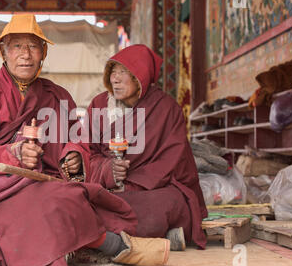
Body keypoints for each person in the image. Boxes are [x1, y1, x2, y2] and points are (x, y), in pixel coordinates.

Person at [0, 14, 171, 266]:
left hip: (37, 177)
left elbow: (77, 138)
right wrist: (12, 152)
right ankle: (113, 246)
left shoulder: (56, 95)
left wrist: (73, 155)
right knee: (49, 201)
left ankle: (102, 242)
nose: (25, 55)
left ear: (43, 52)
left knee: (78, 194)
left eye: (33, 46)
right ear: (3, 52)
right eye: (16, 46)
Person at [84, 44, 208, 251]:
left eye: (123, 72)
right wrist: (108, 170)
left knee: (167, 203)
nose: (115, 79)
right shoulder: (99, 105)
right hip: (105, 185)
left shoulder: (166, 108)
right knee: (78, 199)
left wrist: (132, 181)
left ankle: (107, 236)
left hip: (149, 188)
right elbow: (87, 151)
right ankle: (152, 236)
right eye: (112, 72)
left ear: (141, 76)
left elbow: (174, 160)